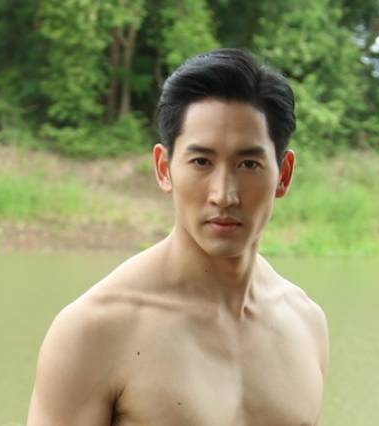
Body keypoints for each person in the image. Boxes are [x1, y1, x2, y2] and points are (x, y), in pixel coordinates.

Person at [26, 48, 329, 426]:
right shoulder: (95, 329)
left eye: (248, 164)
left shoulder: (305, 323)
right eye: (201, 162)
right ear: (164, 168)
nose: (224, 194)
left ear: (283, 175)